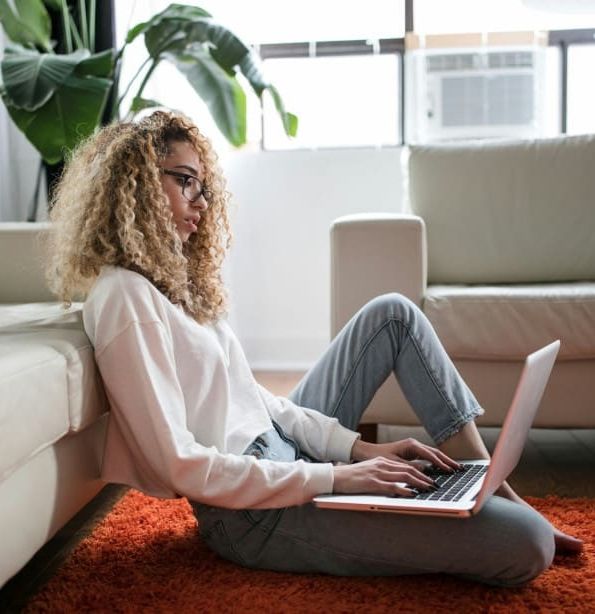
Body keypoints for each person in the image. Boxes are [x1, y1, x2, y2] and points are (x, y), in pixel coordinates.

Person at [45, 110, 582, 588]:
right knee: (527, 544)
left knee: (392, 313)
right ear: (134, 185)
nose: (200, 204)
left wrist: (356, 451)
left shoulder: (172, 283)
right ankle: (493, 503)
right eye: (185, 182)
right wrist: (335, 477)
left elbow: (256, 401)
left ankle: (487, 481)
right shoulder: (124, 297)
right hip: (251, 513)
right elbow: (180, 464)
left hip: (283, 454)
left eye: (203, 188)